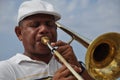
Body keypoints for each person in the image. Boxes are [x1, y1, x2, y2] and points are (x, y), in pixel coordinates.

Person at [0, 0, 94, 80]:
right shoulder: (6, 69)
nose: (44, 30)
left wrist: (78, 67)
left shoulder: (68, 63)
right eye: (35, 25)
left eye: (49, 24)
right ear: (19, 33)